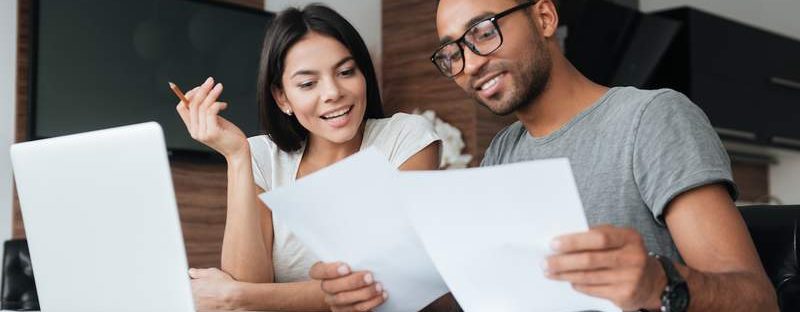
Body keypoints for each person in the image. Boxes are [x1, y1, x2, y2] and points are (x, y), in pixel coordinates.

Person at [312, 0, 779, 311]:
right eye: (451, 53)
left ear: (544, 17)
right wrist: (372, 288)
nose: (470, 62)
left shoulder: (651, 117)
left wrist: (660, 281)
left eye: (482, 31)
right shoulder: (502, 152)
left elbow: (758, 300)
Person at [174, 4, 441, 311]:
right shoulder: (262, 156)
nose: (332, 92)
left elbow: (391, 283)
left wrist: (236, 296)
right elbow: (246, 283)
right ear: (282, 97)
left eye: (345, 72)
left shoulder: (405, 138)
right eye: (307, 84)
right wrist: (236, 157)